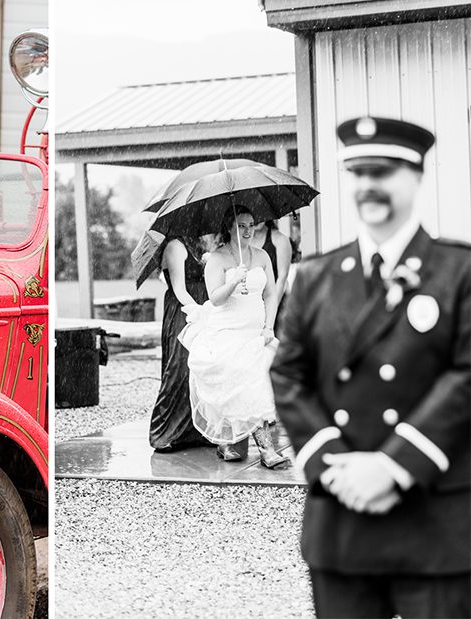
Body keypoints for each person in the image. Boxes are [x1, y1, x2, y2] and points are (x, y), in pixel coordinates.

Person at [272, 116, 469, 617]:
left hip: (436, 523)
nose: (368, 185)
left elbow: (466, 374)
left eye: (383, 172)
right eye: (358, 173)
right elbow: (288, 375)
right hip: (342, 520)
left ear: (416, 176)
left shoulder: (459, 271)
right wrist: (331, 465)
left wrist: (394, 464)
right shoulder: (315, 277)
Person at [180, 210, 290, 468]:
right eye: (241, 226)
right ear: (229, 227)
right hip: (227, 331)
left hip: (255, 332)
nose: (248, 230)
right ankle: (231, 441)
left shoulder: (262, 256)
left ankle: (266, 449)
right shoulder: (217, 258)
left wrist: (268, 327)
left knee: (258, 383)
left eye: (251, 225)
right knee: (238, 383)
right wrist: (233, 281)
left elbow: (271, 294)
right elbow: (215, 298)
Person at [148, 234, 214, 451]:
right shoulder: (175, 246)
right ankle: (162, 432)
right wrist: (199, 312)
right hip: (183, 311)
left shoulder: (197, 243)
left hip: (201, 307)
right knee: (179, 367)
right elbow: (179, 289)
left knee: (200, 368)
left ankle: (193, 429)